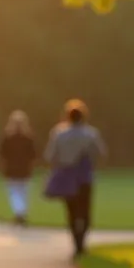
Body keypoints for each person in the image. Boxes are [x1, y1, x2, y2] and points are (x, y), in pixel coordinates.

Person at [43, 99, 107, 258]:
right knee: (85, 211)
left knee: (71, 211)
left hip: (66, 176)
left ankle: (76, 242)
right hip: (84, 177)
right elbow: (101, 153)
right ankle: (81, 241)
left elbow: (50, 155)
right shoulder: (91, 134)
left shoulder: (59, 134)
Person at [0, 110, 37, 226]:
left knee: (14, 192)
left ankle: (19, 213)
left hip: (11, 168)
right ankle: (22, 212)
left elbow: (2, 153)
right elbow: (33, 154)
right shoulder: (28, 138)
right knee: (24, 192)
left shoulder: (8, 138)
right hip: (25, 168)